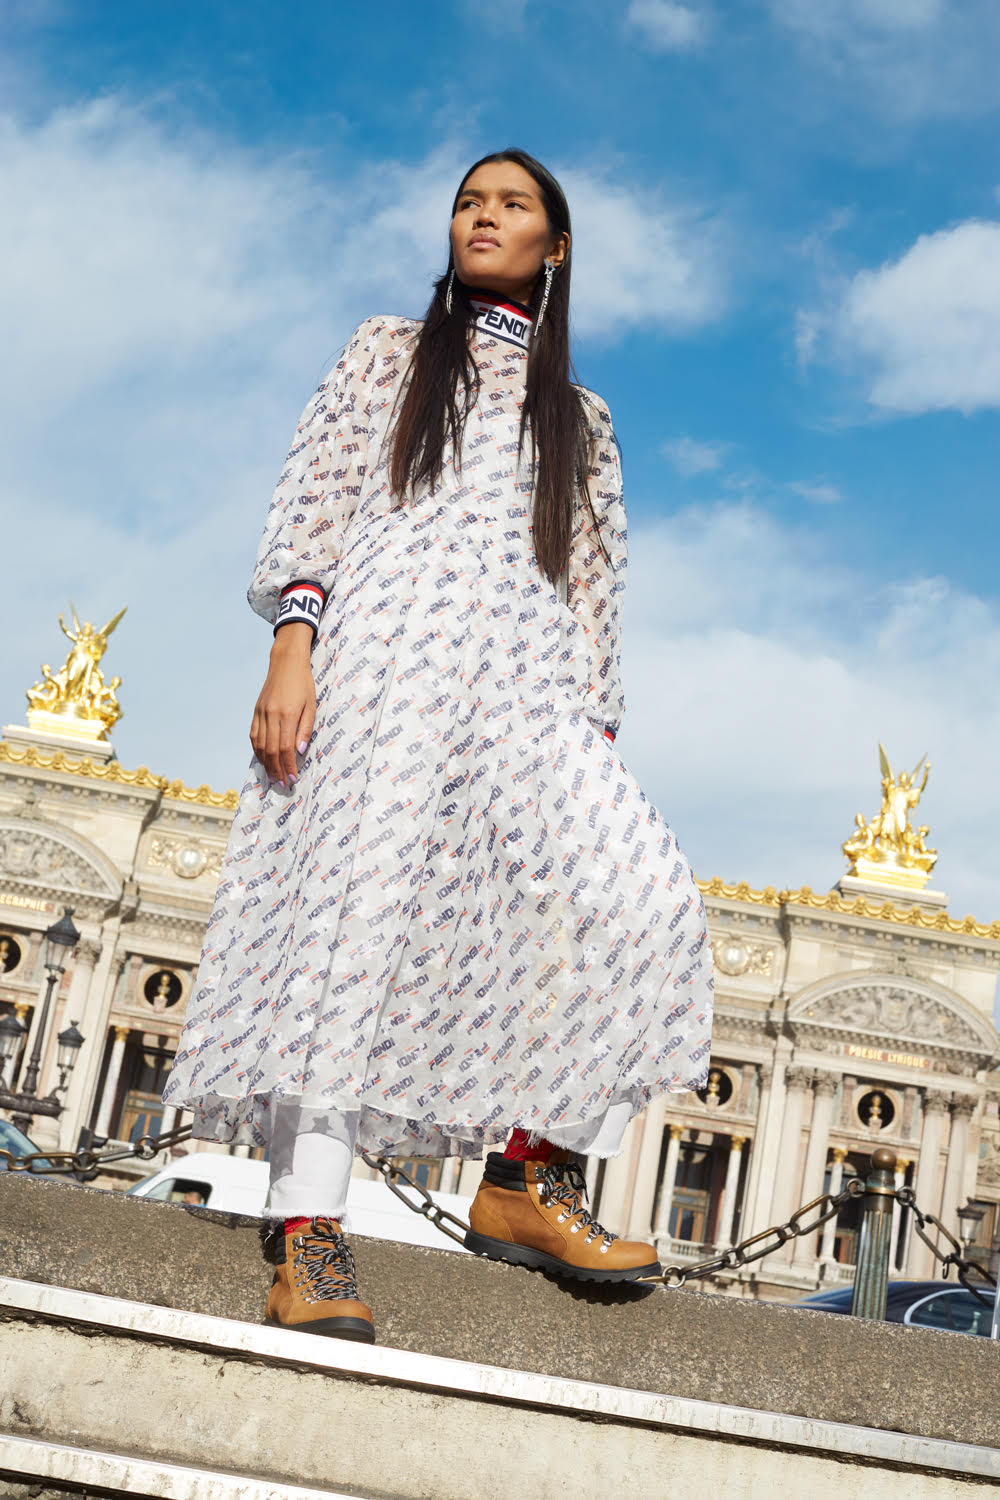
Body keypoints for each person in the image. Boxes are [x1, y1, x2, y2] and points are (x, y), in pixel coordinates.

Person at [162, 148, 713, 1344]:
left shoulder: (583, 419)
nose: (484, 217)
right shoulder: (388, 353)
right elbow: (315, 495)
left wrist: (594, 730)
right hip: (385, 674)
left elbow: (595, 585)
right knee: (350, 935)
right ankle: (309, 1237)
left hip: (528, 697)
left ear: (553, 247)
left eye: (512, 205)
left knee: (645, 901)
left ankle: (526, 1175)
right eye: (469, 202)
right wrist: (292, 648)